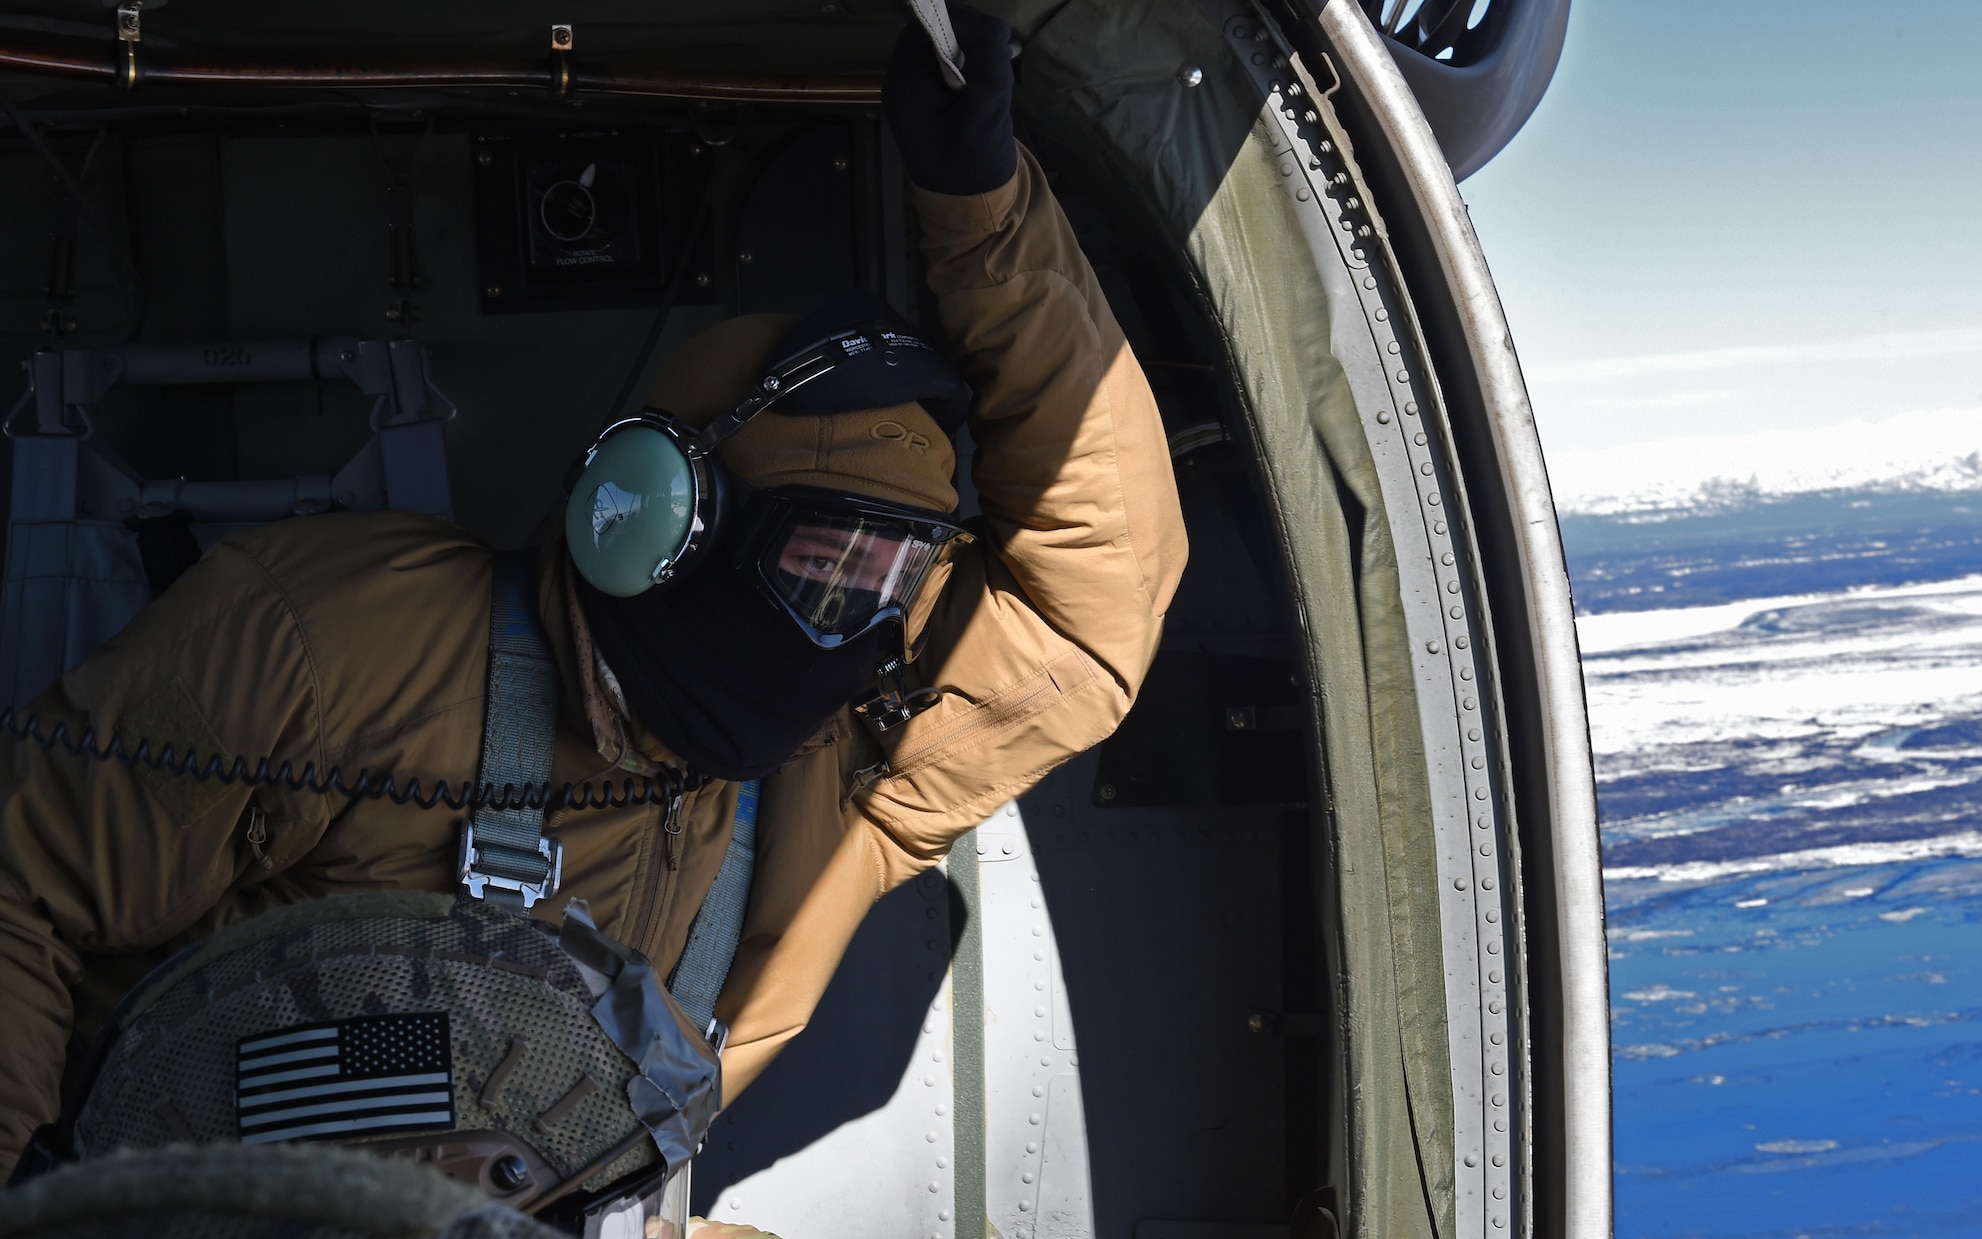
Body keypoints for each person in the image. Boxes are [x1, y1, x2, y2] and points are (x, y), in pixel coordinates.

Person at [0, 5, 1186, 1175]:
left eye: (886, 576)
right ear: (653, 517)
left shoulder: (839, 770)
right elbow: (21, 891)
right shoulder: (339, 633)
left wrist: (981, 215)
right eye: (819, 561)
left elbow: (1097, 598)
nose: (846, 625)